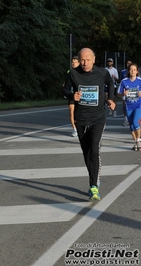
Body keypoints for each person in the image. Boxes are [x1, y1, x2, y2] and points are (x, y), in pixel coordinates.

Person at [63, 48, 116, 201]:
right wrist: (72, 95)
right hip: (81, 119)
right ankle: (94, 176)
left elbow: (110, 83)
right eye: (82, 60)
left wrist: (111, 99)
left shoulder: (102, 73)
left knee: (94, 149)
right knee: (86, 153)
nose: (85, 63)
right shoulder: (73, 73)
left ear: (94, 59)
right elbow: (65, 89)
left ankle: (93, 186)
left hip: (98, 118)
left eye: (88, 60)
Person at [117, 63, 141, 151]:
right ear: (128, 71)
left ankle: (138, 140)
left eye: (134, 70)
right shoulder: (124, 81)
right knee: (131, 125)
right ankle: (136, 142)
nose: (133, 71)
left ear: (137, 71)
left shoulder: (140, 81)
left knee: (135, 122)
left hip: (138, 105)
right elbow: (118, 94)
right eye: (131, 70)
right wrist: (123, 94)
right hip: (128, 106)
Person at [67, 56, 80, 137]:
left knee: (78, 112)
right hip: (72, 95)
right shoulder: (69, 72)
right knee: (71, 111)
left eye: (75, 62)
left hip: (80, 95)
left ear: (79, 63)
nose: (73, 64)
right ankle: (74, 129)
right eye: (72, 62)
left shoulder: (81, 72)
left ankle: (80, 127)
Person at [120, 59, 132, 126]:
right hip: (125, 91)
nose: (129, 64)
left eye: (130, 63)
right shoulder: (123, 72)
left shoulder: (134, 71)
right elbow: (121, 81)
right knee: (125, 105)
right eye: (127, 63)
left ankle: (131, 118)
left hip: (133, 91)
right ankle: (126, 119)